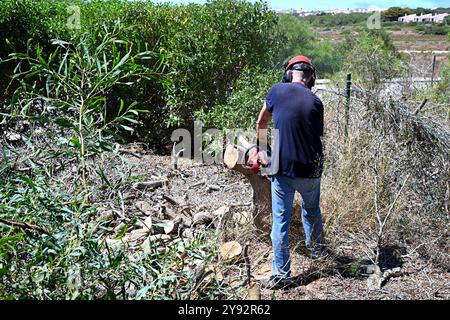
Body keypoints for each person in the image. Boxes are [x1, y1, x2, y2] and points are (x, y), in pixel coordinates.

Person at [255, 55, 326, 290]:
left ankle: (282, 276)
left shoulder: (276, 90)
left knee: (281, 221)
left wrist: (263, 149)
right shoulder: (316, 102)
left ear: (288, 74)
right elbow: (315, 136)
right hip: (311, 168)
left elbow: (261, 122)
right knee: (312, 210)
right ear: (311, 78)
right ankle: (318, 255)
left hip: (283, 169)